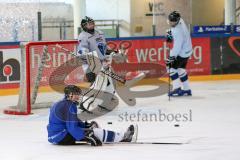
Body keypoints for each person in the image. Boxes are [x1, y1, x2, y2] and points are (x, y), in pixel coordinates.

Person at [47, 85, 136, 146]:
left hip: (55, 136)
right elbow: (72, 128)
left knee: (90, 130)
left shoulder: (62, 103)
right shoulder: (69, 105)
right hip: (61, 136)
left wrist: (85, 125)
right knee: (94, 132)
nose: (78, 96)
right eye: (76, 94)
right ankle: (123, 137)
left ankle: (118, 136)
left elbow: (71, 121)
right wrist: (87, 134)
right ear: (70, 95)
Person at [165, 11, 193, 97]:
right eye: (171, 21)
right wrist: (169, 33)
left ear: (177, 21)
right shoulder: (181, 21)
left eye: (173, 21)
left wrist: (170, 58)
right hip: (188, 50)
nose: (171, 22)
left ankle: (177, 88)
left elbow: (177, 47)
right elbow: (171, 28)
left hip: (182, 53)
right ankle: (187, 89)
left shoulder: (177, 31)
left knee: (170, 68)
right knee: (181, 69)